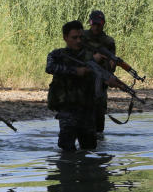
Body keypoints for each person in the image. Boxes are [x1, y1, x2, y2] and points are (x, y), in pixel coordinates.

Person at [46, 20, 115, 152]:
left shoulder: (92, 56)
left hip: (88, 109)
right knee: (67, 149)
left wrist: (108, 80)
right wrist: (76, 71)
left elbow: (104, 74)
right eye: (74, 38)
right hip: (67, 108)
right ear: (65, 38)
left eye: (81, 37)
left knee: (89, 149)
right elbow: (50, 68)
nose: (78, 41)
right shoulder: (57, 55)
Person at [81, 10, 117, 133]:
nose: (95, 27)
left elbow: (111, 66)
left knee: (99, 119)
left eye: (98, 24)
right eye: (93, 23)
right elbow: (75, 57)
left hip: (99, 82)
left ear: (103, 24)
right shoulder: (81, 37)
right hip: (83, 81)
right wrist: (93, 57)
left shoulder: (108, 42)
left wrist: (109, 69)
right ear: (90, 22)